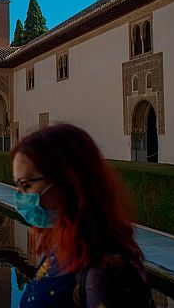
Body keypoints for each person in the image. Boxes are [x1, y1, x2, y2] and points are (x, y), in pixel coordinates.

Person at [12, 124, 153, 307]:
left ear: (66, 180)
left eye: (25, 185)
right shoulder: (63, 248)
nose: (18, 195)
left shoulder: (107, 269)